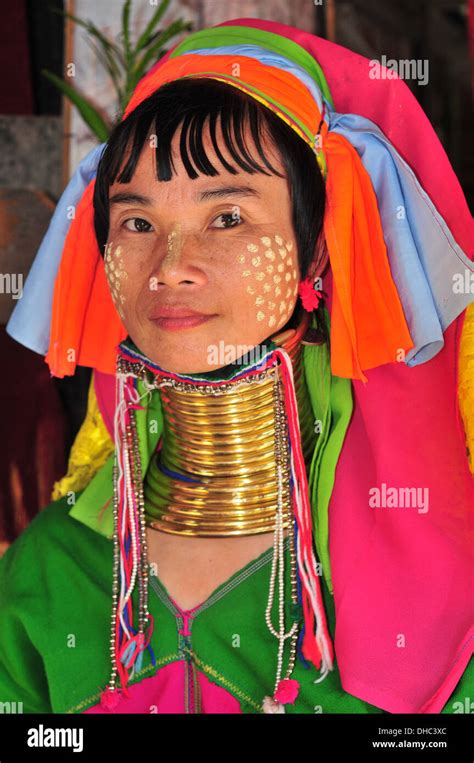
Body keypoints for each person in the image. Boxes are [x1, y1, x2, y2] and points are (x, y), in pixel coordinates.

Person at [0, 18, 472, 715]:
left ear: (317, 254)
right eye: (137, 222)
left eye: (228, 217)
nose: (170, 268)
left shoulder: (441, 601)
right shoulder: (49, 569)